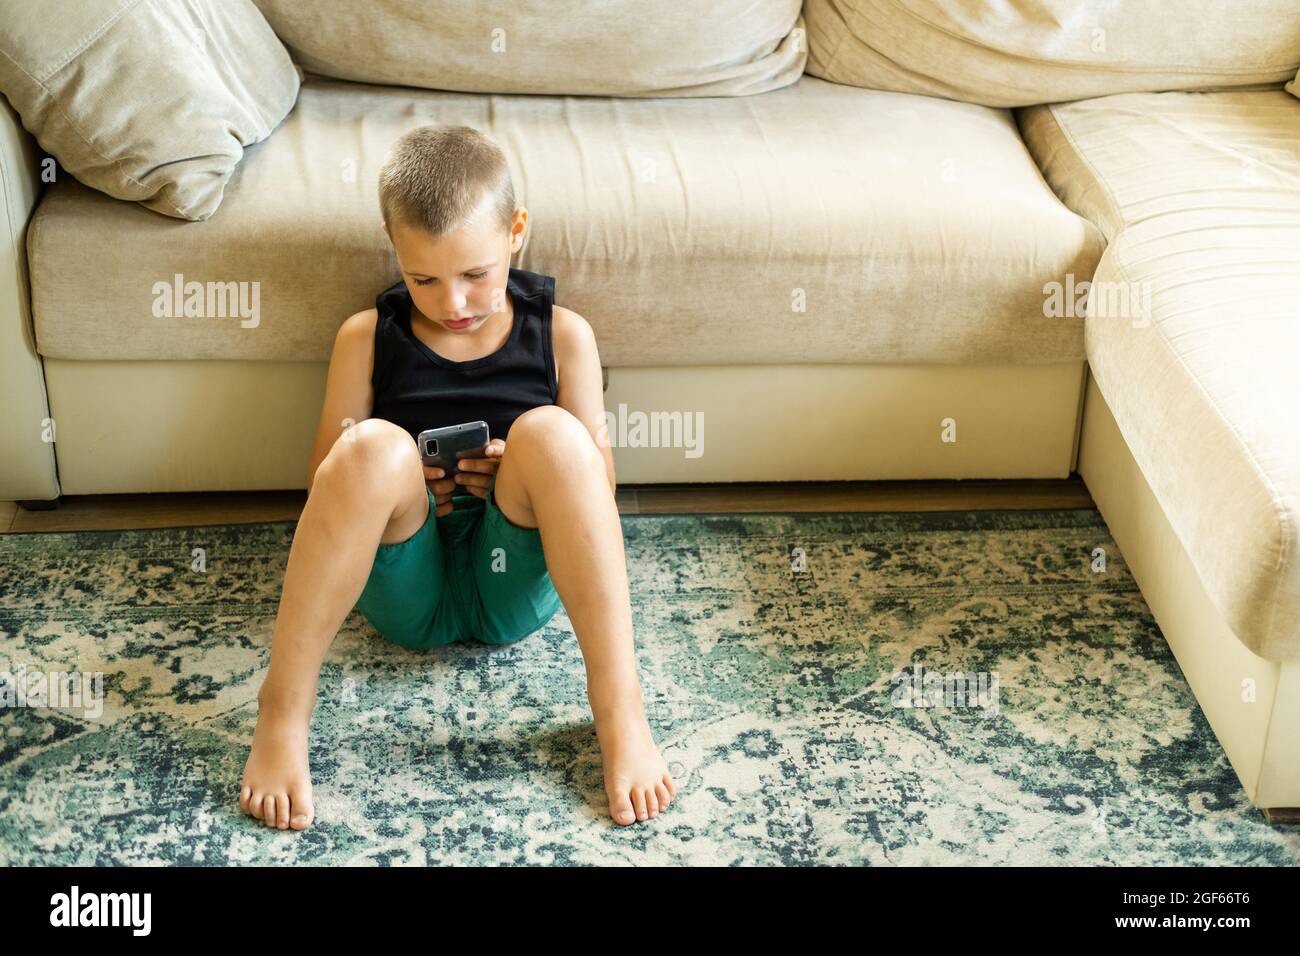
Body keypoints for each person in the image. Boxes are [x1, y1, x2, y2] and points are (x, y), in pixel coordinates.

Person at [238, 124, 676, 830]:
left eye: (475, 274)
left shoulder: (565, 335)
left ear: (515, 234)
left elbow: (598, 484)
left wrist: (515, 471)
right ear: (393, 245)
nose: (454, 303)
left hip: (514, 574)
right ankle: (282, 711)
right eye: (423, 279)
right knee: (369, 449)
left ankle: (621, 713)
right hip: (410, 583)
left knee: (555, 438)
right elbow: (325, 485)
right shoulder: (365, 338)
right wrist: (411, 475)